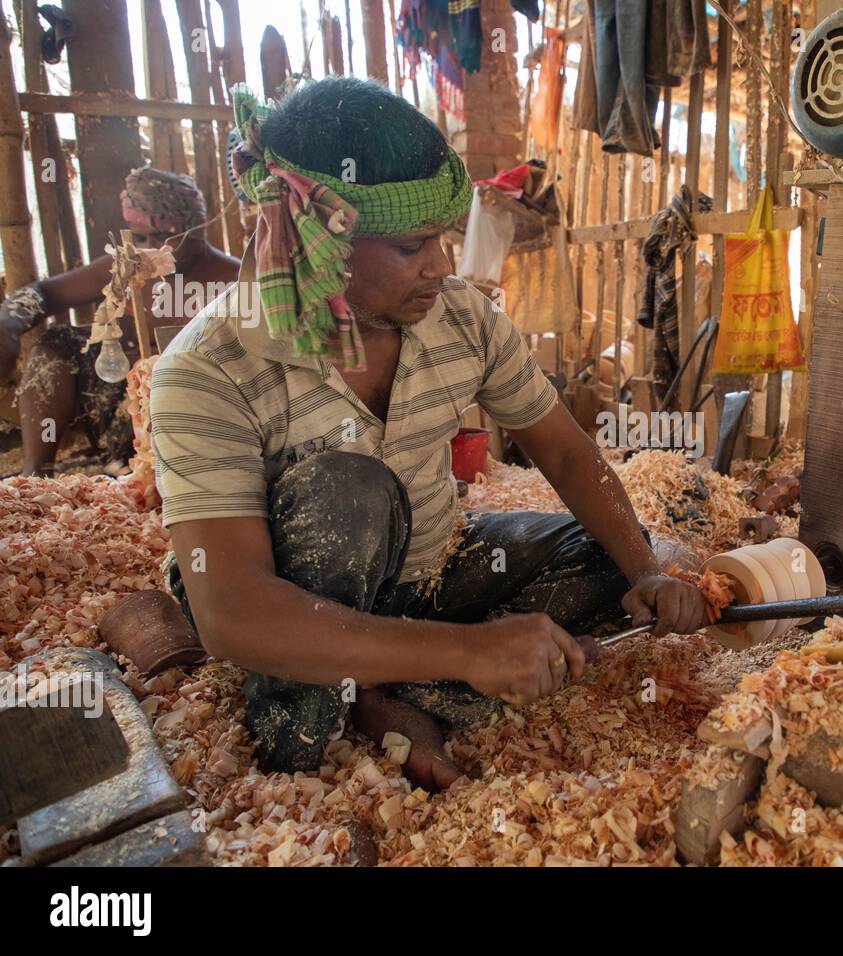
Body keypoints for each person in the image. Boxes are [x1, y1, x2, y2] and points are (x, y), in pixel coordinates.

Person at [149, 77, 710, 790]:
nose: (442, 266)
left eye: (442, 240)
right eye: (414, 246)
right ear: (317, 239)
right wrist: (469, 652)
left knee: (605, 553)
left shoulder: (461, 318)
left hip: (428, 576)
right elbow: (229, 610)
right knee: (347, 487)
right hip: (296, 609)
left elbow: (567, 453)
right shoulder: (206, 368)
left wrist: (646, 569)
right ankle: (312, 715)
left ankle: (392, 686)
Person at [0, 167, 239, 475]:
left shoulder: (234, 280)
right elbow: (45, 293)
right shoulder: (127, 266)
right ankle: (36, 474)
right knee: (56, 344)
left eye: (167, 237)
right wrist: (9, 323)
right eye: (140, 237)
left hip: (192, 411)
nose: (153, 249)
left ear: (198, 229)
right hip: (118, 411)